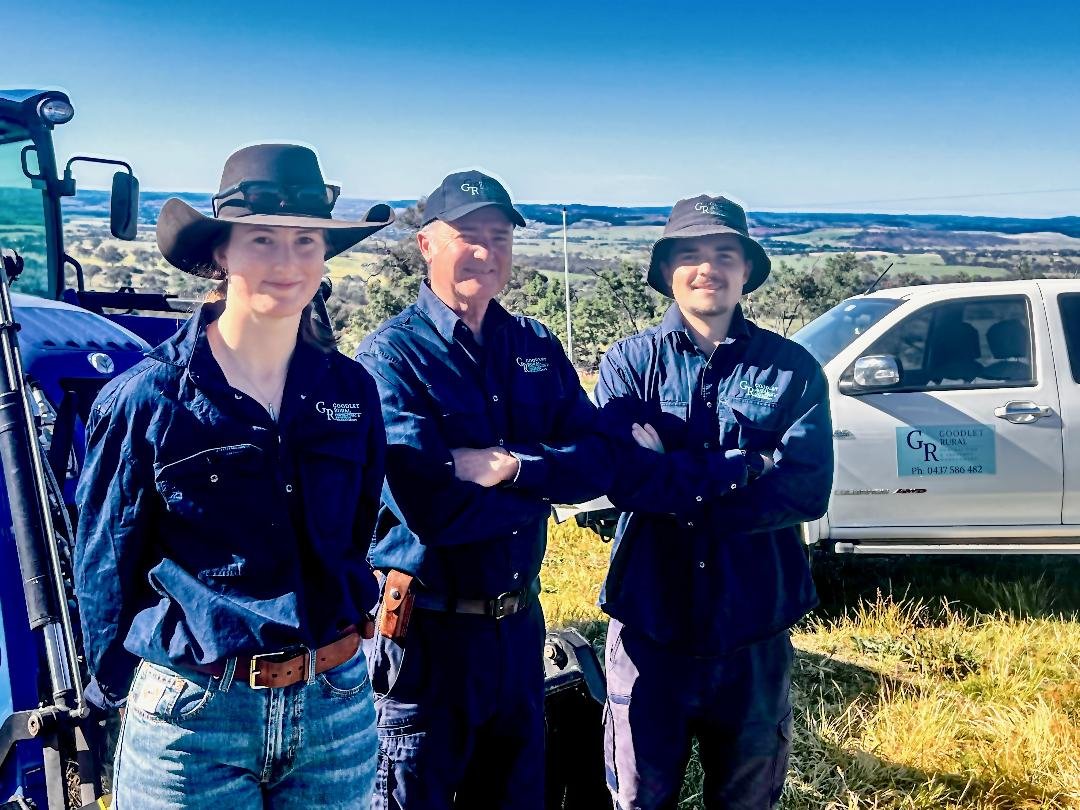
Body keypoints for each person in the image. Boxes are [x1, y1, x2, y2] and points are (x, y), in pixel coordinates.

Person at [74, 143, 394, 808]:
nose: (288, 262)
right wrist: (117, 696)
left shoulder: (351, 392)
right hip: (193, 722)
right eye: (263, 241)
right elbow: (106, 569)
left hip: (335, 707)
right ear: (221, 254)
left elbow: (355, 533)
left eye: (307, 241)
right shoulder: (146, 401)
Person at [356, 170, 610, 809]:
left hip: (518, 629)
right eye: (469, 235)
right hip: (427, 643)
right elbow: (434, 509)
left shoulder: (533, 345)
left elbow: (599, 463)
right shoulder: (391, 358)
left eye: (500, 237)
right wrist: (548, 485)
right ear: (426, 245)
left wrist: (511, 466)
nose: (487, 251)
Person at [595, 194, 834, 809]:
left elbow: (806, 488)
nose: (708, 268)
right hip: (651, 622)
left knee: (747, 801)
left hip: (753, 626)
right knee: (640, 800)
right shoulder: (628, 364)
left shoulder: (793, 370)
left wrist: (671, 478)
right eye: (691, 254)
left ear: (747, 270)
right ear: (667, 271)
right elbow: (623, 480)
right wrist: (747, 466)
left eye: (724, 253)